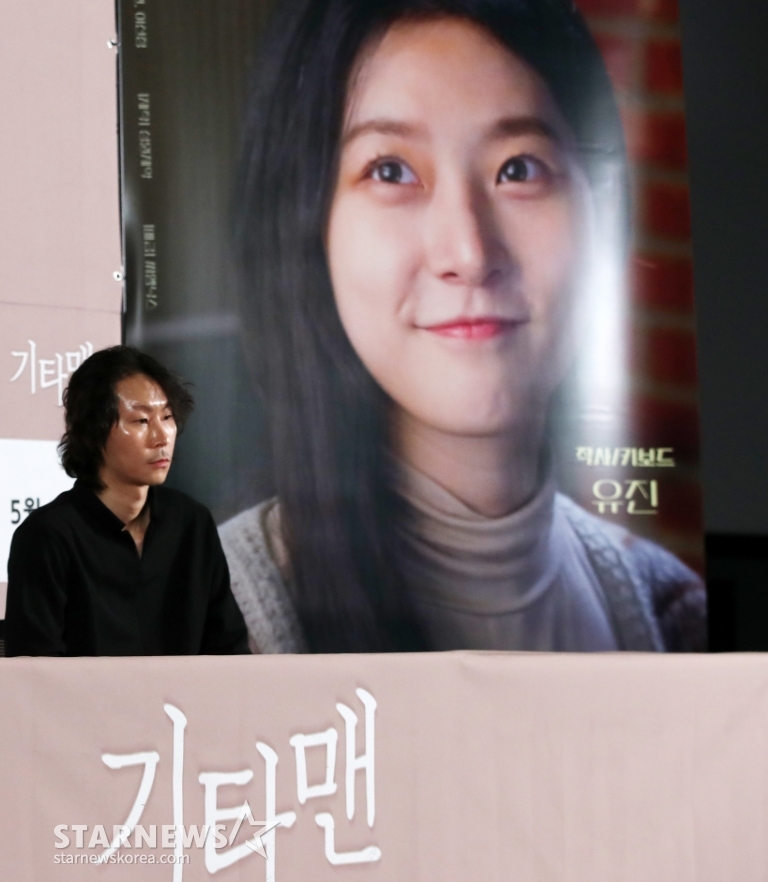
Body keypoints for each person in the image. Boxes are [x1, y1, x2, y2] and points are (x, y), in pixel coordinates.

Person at [219, 0, 706, 653]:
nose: (470, 254)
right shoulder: (209, 624)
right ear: (306, 228)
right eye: (391, 171)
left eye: (520, 168)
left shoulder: (673, 615)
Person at [5, 346, 249, 656]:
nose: (161, 437)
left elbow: (230, 653)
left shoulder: (192, 523)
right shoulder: (48, 536)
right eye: (141, 421)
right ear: (94, 431)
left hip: (183, 692)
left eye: (167, 417)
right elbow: (34, 670)